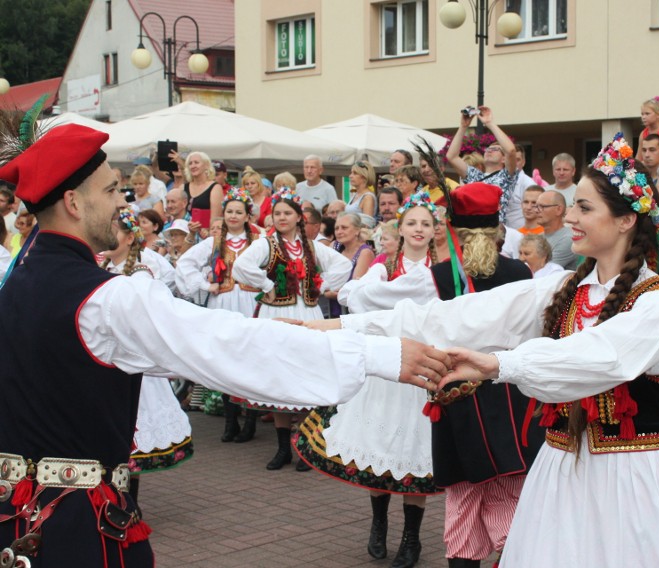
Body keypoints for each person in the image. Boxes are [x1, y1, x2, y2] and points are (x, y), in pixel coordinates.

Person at [0, 122, 448, 567]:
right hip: (74, 531)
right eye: (112, 190)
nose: (123, 202)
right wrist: (376, 354)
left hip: (13, 518)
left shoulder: (15, 283)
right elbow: (224, 344)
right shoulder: (106, 298)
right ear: (74, 202)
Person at [326, 134, 659, 566]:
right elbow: (457, 316)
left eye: (584, 207)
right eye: (573, 206)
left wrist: (499, 363)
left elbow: (599, 357)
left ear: (625, 221)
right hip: (563, 469)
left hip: (635, 478)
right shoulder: (565, 289)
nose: (570, 217)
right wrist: (338, 326)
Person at [299, 192, 441, 568]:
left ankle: (412, 539)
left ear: (434, 230)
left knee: (414, 449)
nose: (418, 229)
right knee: (380, 441)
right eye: (412, 223)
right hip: (385, 363)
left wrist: (380, 297)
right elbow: (350, 294)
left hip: (421, 368)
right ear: (401, 228)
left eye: (425, 224)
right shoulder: (386, 264)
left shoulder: (442, 267)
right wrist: (385, 295)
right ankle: (379, 523)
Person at [231, 188, 357, 471]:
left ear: (299, 216)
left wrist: (322, 286)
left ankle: (305, 447)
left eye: (287, 213)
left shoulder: (312, 246)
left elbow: (342, 264)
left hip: (307, 314)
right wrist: (267, 286)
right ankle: (281, 448)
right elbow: (241, 266)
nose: (282, 217)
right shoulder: (266, 244)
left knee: (306, 377)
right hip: (276, 314)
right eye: (277, 214)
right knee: (279, 379)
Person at [100, 208, 191, 503]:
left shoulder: (140, 272)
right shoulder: (101, 268)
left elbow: (149, 317)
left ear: (129, 237)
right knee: (109, 432)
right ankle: (112, 497)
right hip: (106, 362)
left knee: (133, 434)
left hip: (132, 363)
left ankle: (131, 502)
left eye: (115, 231)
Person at [176, 187, 262, 443]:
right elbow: (185, 263)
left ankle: (250, 420)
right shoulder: (214, 241)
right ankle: (230, 419)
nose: (233, 216)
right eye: (229, 212)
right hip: (223, 302)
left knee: (250, 361)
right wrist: (205, 285)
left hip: (250, 302)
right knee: (226, 360)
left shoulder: (260, 241)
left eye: (239, 212)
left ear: (248, 216)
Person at [445, 106, 518, 224]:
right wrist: (463, 127)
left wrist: (489, 123)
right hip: (473, 228)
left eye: (495, 149)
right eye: (488, 148)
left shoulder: (507, 176)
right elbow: (451, 157)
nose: (489, 150)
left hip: (495, 230)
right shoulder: (475, 176)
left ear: (504, 159)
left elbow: (511, 150)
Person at [536, 190, 577, 270]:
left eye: (543, 207)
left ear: (559, 209)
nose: (537, 210)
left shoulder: (568, 239)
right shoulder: (538, 238)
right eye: (536, 206)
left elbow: (545, 271)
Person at [184, 150, 224, 233]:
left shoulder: (215, 188)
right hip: (184, 232)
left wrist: (207, 232)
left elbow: (215, 219)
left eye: (196, 162)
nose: (193, 166)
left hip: (204, 235)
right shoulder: (184, 187)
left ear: (206, 165)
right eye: (190, 163)